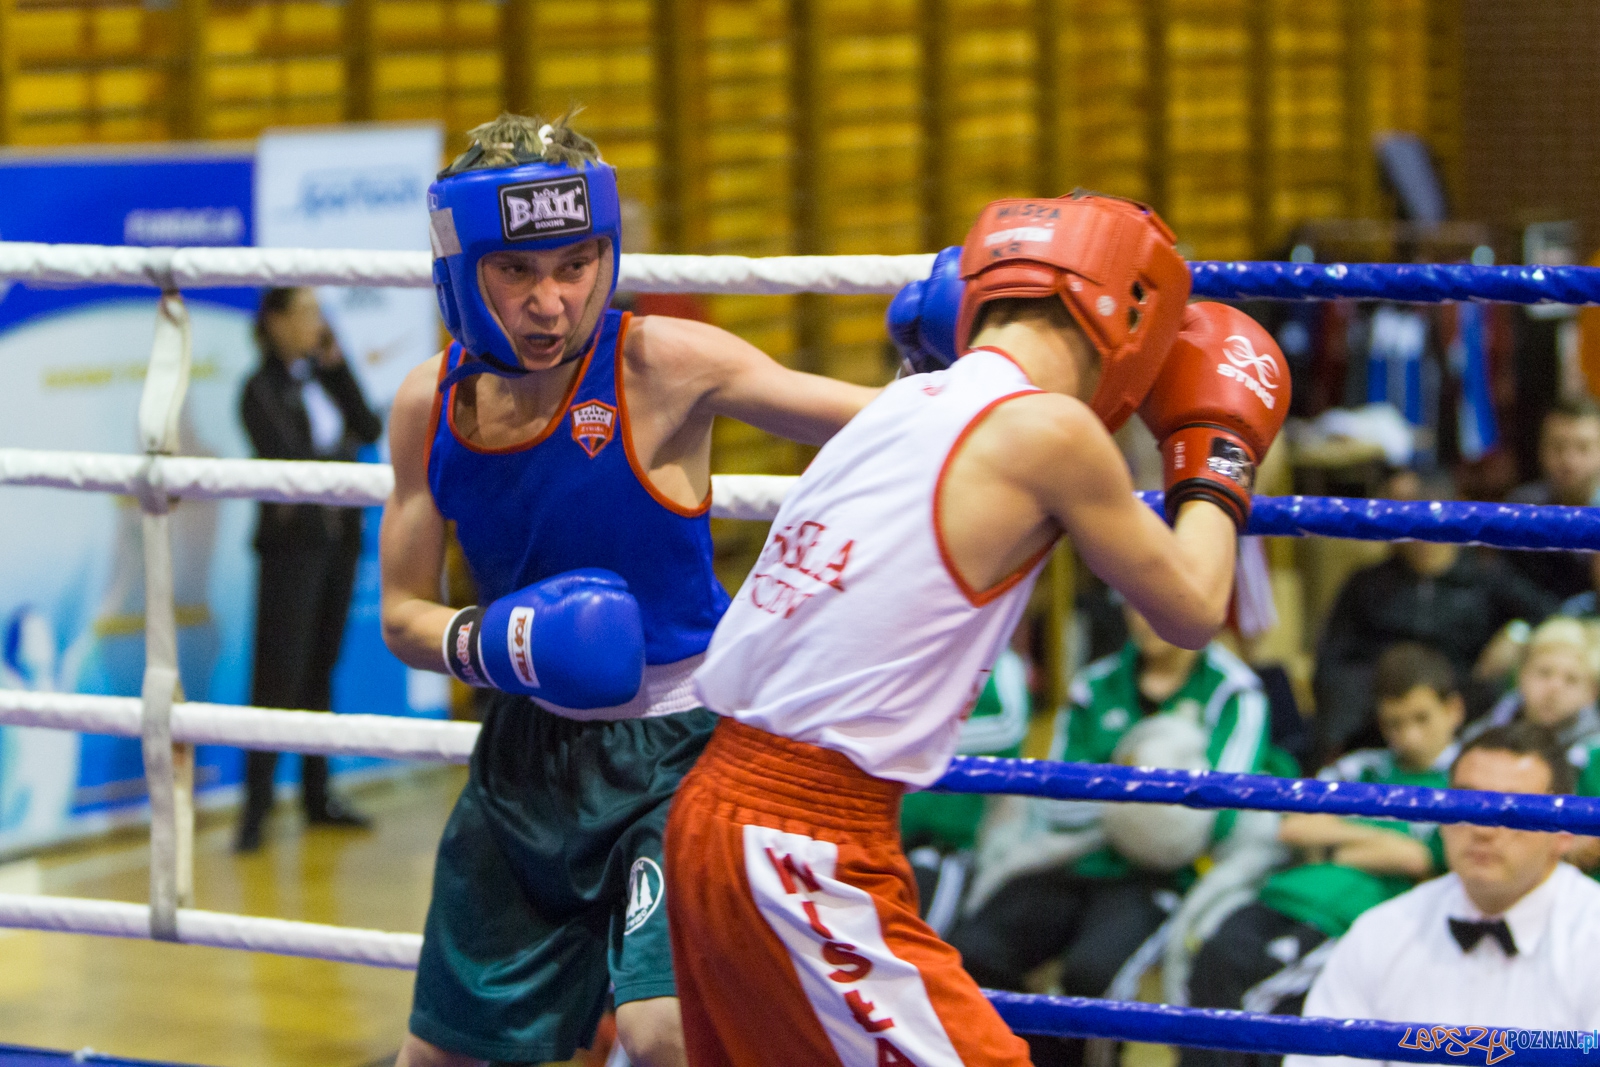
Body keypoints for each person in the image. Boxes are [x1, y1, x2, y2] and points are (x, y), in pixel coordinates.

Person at [663, 193, 1289, 1067]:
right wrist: (1217, 446)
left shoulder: (904, 400)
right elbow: (1192, 605)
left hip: (720, 803)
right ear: (1130, 313)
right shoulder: (1050, 430)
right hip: (800, 838)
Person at [378, 113, 880, 1067]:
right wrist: (499, 642)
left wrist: (983, 386)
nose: (551, 301)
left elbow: (877, 423)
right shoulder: (426, 405)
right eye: (517, 272)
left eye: (575, 265)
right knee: (440, 1057)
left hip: (683, 746)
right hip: (527, 751)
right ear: (461, 270)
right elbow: (402, 611)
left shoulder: (660, 364)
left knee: (664, 1029)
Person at [951, 604, 1270, 1067]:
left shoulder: (1236, 691)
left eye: (1157, 600)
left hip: (1164, 876)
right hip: (1075, 861)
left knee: (1093, 976)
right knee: (971, 950)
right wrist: (1151, 791)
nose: (1146, 615)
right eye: (1134, 600)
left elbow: (1214, 818)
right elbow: (1054, 802)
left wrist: (1115, 780)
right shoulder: (1093, 683)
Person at [1179, 643, 1461, 1067]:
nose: (1409, 736)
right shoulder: (1362, 767)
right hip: (1282, 894)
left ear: (1453, 709)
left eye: (1421, 719)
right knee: (1208, 966)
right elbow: (1294, 825)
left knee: (1265, 1007)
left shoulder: (1466, 776)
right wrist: (1378, 842)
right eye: (1394, 723)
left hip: (1353, 918)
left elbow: (1418, 860)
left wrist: (1337, 843)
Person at [1284, 721, 1600, 1067]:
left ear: (1565, 831)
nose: (1482, 828)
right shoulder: (1382, 931)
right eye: (1466, 803)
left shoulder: (1591, 936)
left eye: (1513, 809)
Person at [236, 287, 382, 853]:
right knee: (277, 677)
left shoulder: (324, 378)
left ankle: (318, 798)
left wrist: (338, 366)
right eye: (303, 314)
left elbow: (368, 427)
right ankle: (257, 808)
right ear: (273, 322)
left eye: (318, 315)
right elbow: (290, 453)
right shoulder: (258, 389)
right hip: (290, 549)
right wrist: (335, 461)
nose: (314, 324)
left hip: (339, 541)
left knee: (322, 669)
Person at [1312, 468, 1556, 766]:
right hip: (1379, 720)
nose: (1424, 539)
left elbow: (1551, 616)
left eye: (1435, 525)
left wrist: (1518, 634)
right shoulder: (1368, 584)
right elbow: (1333, 658)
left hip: (1468, 717)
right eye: (1415, 527)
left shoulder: (1487, 579)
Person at [901, 646, 1031, 935]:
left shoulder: (999, 660)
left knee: (914, 943)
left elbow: (1009, 727)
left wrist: (911, 741)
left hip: (949, 844)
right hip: (880, 832)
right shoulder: (904, 652)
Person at [1502, 399, 1600, 602]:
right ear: (1541, 449)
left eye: (1583, 448)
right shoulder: (1522, 508)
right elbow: (1509, 587)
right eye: (1558, 447)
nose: (1569, 460)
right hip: (1542, 626)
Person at [1463, 616, 1600, 754]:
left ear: (1592, 693)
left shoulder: (1594, 757)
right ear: (1521, 674)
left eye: (1571, 680)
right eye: (1544, 673)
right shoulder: (1482, 734)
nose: (1554, 688)